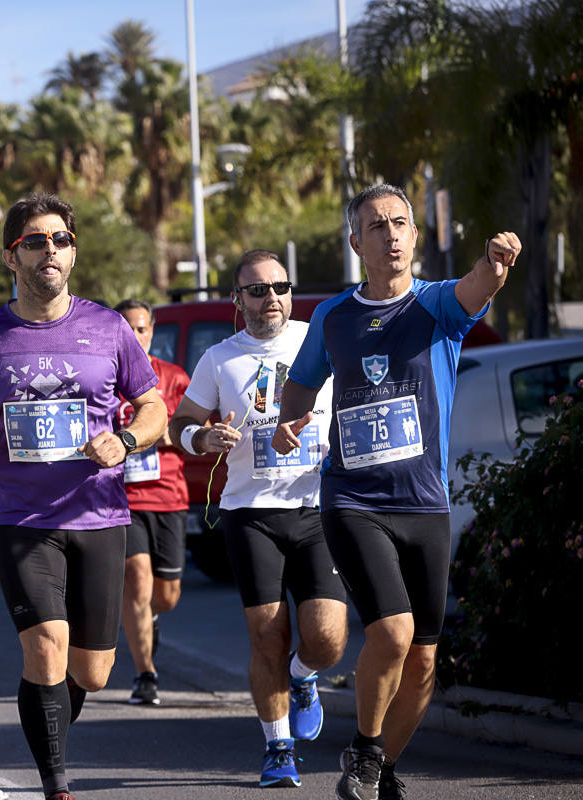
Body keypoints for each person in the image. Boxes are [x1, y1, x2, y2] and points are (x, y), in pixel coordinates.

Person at [273, 185, 521, 800]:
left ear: (414, 235)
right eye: (376, 225)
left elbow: (477, 288)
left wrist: (495, 265)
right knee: (393, 630)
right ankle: (363, 749)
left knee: (426, 662)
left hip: (424, 504)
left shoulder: (436, 306)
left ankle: (377, 765)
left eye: (400, 223)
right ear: (357, 241)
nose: (389, 234)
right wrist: (289, 422)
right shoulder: (333, 316)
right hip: (354, 500)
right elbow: (301, 385)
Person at [0, 193, 167, 800]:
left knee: (91, 669)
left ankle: (50, 714)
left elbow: (154, 406)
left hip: (98, 509)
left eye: (60, 240)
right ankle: (56, 783)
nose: (49, 251)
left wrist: (128, 440)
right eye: (35, 241)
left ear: (73, 252)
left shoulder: (109, 326)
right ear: (12, 256)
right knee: (46, 647)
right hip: (18, 513)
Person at [168, 249, 348, 787]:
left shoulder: (319, 339)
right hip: (250, 513)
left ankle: (303, 677)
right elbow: (182, 423)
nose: (271, 297)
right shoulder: (219, 358)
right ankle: (277, 747)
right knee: (267, 635)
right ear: (237, 299)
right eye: (257, 289)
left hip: (316, 508)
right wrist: (202, 437)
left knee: (327, 640)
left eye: (280, 287)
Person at [112, 299, 191, 707]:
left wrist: (162, 435)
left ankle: (151, 619)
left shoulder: (173, 377)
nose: (136, 335)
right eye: (128, 328)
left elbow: (195, 427)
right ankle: (146, 673)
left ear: (152, 330)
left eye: (142, 328)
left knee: (167, 595)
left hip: (168, 495)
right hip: (121, 497)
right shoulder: (104, 376)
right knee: (137, 581)